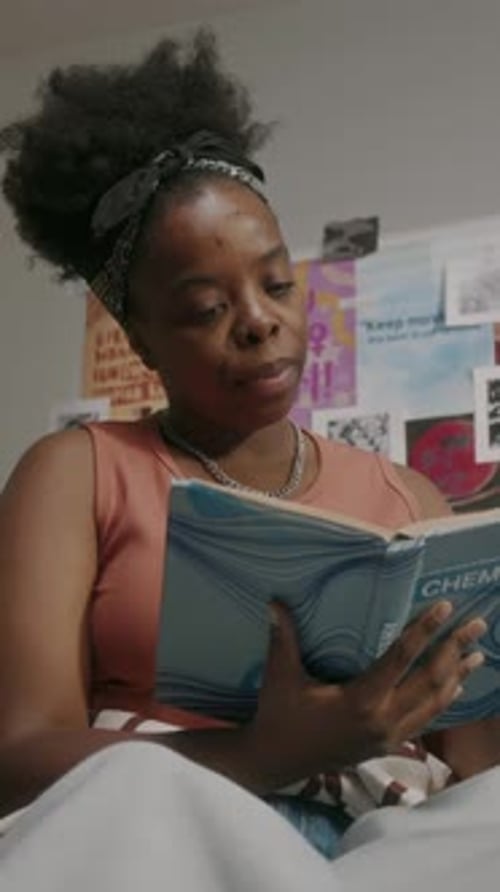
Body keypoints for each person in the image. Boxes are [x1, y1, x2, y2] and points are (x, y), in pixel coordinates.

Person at [0, 29, 497, 861]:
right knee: (134, 789)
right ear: (140, 337)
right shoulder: (78, 472)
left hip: (393, 845)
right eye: (204, 308)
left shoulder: (412, 501)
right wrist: (267, 755)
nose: (260, 320)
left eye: (276, 284)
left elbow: (479, 771)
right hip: (171, 835)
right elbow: (17, 757)